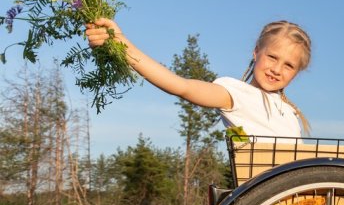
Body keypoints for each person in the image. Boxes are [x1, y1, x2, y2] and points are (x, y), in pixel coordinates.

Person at [86, 18, 312, 136]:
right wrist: (123, 45)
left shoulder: (289, 112)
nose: (277, 69)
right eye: (272, 57)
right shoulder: (236, 93)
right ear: (256, 52)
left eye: (289, 65)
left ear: (297, 73)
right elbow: (180, 86)